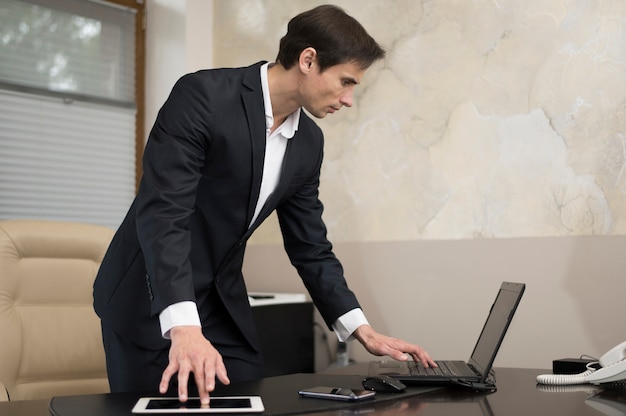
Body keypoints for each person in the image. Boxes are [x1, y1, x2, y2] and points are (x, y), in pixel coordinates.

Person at [93, 4, 436, 405]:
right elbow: (164, 213)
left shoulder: (308, 143)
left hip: (219, 304)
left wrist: (360, 328)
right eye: (345, 82)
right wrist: (184, 327)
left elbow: (310, 246)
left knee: (256, 401)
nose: (348, 100)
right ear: (308, 59)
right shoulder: (202, 96)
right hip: (150, 295)